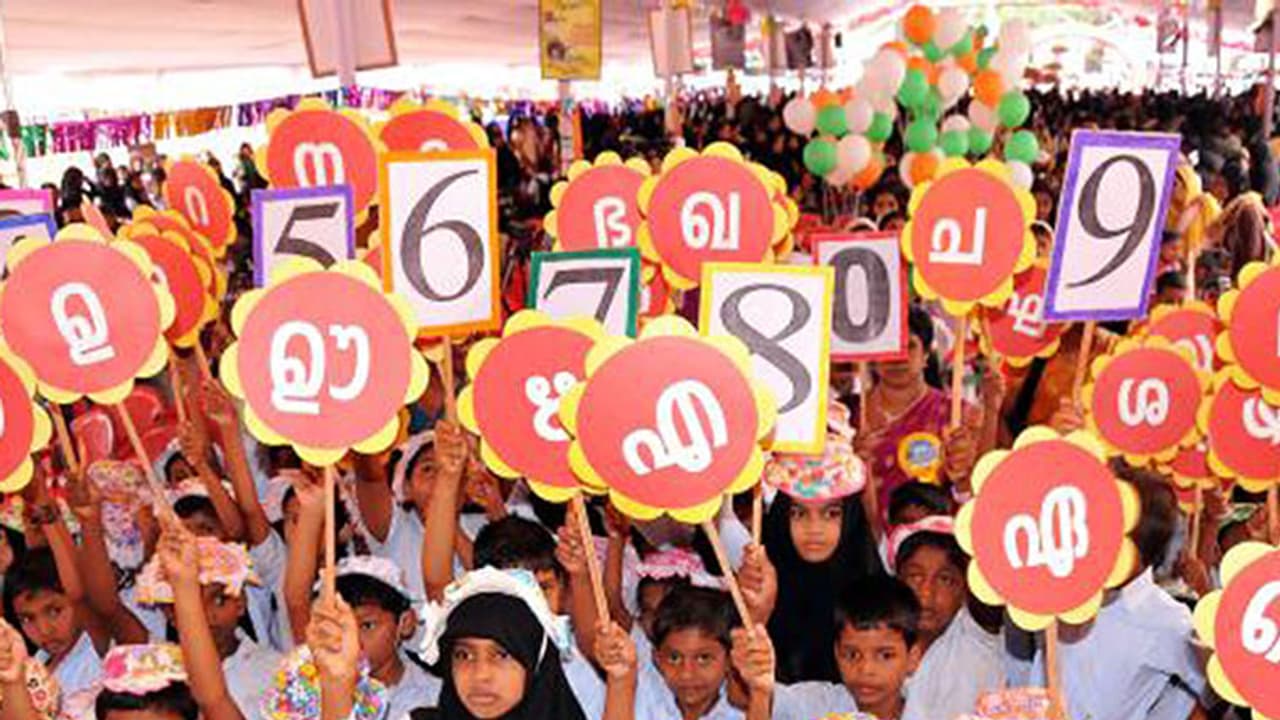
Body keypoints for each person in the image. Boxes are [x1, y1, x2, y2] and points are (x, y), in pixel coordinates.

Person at [1007, 462, 1207, 720]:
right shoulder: (1063, 580)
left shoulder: (1166, 620)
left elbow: (1207, 687)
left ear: (1144, 555)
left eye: (1117, 539)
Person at [763, 438, 882, 683]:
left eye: (831, 514)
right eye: (799, 513)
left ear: (850, 518)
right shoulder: (758, 592)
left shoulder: (883, 602)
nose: (814, 528)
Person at [888, 518, 1002, 720]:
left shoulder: (977, 636)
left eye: (945, 580)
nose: (926, 592)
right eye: (915, 577)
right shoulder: (877, 641)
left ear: (964, 589)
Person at [768, 576, 924, 720]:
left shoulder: (935, 713)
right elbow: (757, 700)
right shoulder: (817, 705)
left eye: (885, 656)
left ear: (912, 658)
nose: (865, 669)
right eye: (852, 655)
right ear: (837, 653)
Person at [637, 586, 741, 720]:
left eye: (703, 658)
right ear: (657, 659)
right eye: (674, 658)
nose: (687, 674)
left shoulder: (745, 712)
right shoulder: (641, 700)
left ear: (730, 660)